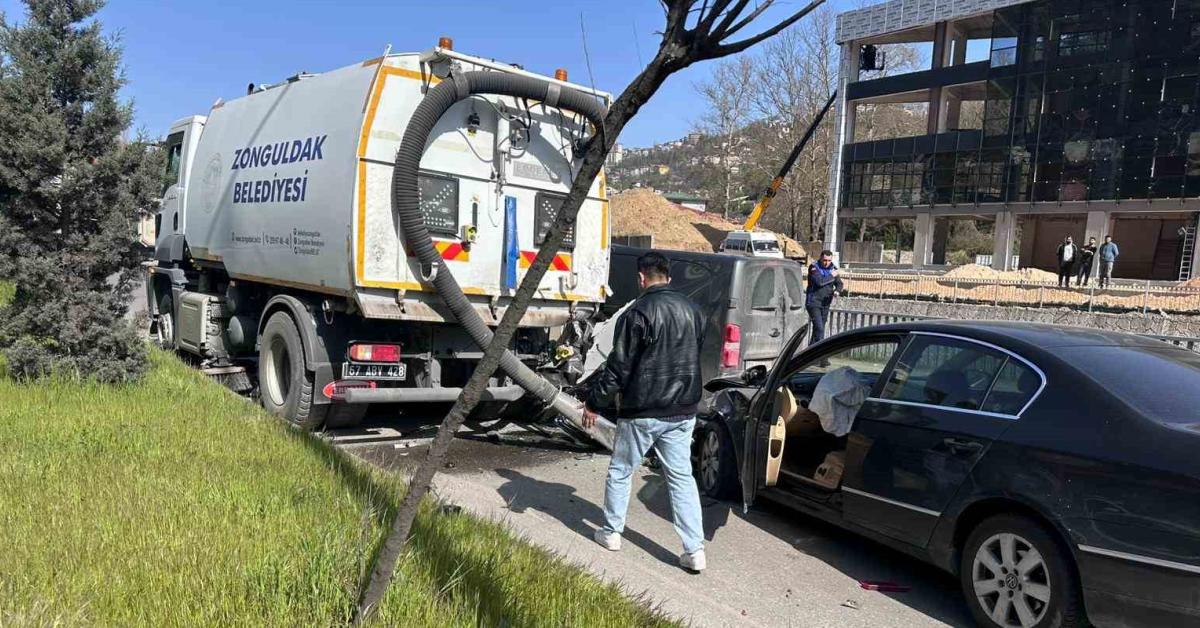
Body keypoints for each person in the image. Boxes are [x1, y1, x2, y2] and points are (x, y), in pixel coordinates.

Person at [583, 252, 707, 573]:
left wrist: (594, 403)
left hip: (643, 410)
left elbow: (619, 367)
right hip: (683, 410)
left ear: (641, 278)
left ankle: (611, 533)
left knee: (622, 470)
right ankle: (694, 550)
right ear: (669, 276)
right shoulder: (694, 311)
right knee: (681, 478)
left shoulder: (637, 313)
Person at [805, 250, 844, 345]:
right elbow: (820, 282)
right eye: (825, 260)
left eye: (829, 260)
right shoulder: (814, 267)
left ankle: (810, 355)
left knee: (817, 331)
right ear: (820, 258)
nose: (827, 263)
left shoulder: (832, 268)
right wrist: (832, 275)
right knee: (819, 329)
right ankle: (819, 356)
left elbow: (839, 283)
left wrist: (837, 291)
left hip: (825, 303)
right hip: (813, 303)